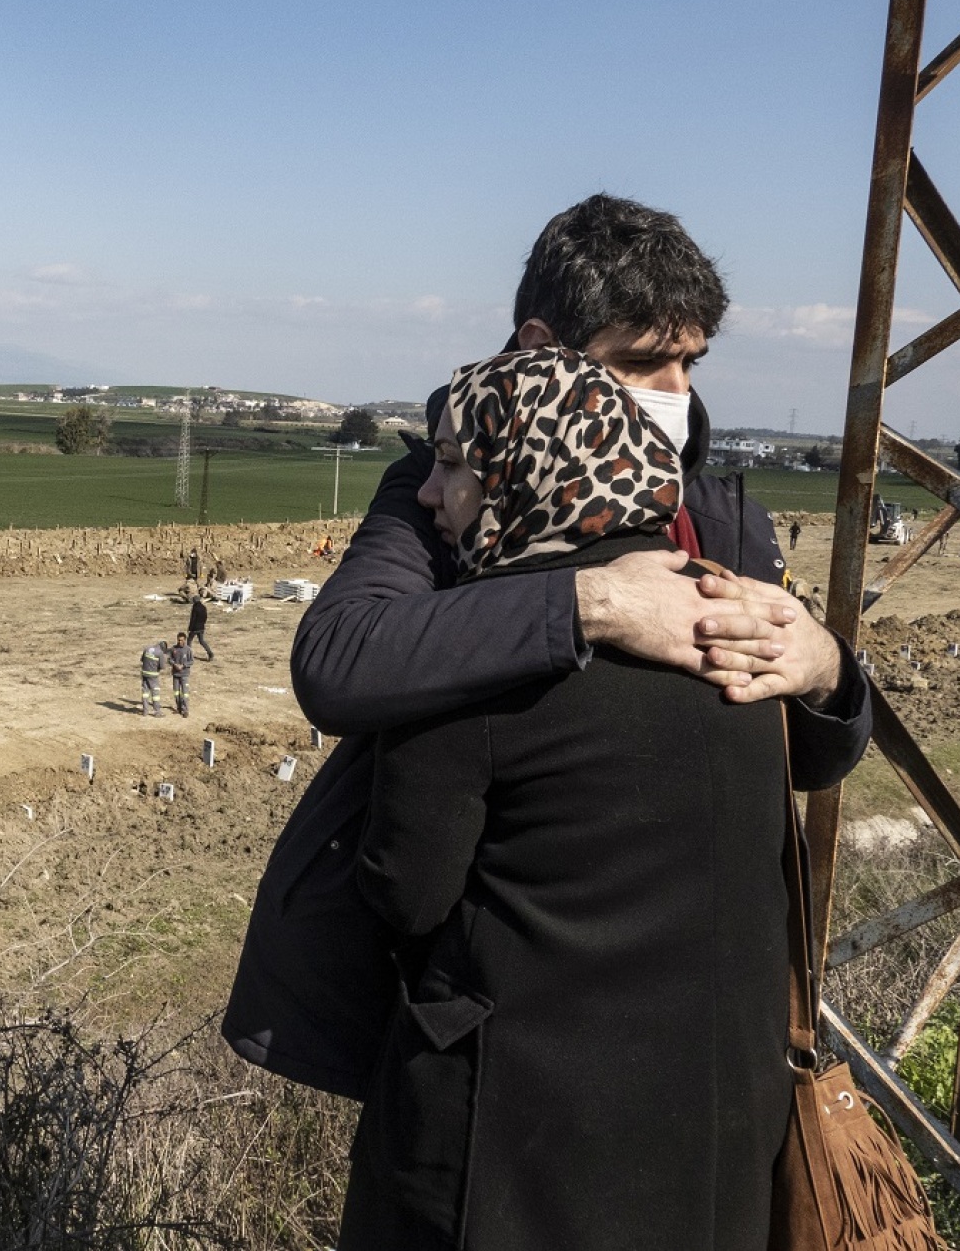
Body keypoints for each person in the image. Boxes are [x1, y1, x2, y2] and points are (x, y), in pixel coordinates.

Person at [223, 194, 872, 1131]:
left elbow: (807, 757)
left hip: (698, 1038)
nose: (675, 390)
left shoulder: (723, 515)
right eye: (645, 362)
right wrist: (590, 602)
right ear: (540, 350)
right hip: (507, 1025)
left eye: (689, 362)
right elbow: (338, 658)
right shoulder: (449, 489)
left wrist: (822, 669)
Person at [338, 349, 797, 1248]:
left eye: (454, 464)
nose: (430, 494)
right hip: (713, 1137)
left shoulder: (480, 662)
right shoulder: (739, 636)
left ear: (522, 471)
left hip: (516, 1150)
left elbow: (404, 890)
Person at [139, 638, 169, 717]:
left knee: (145, 693)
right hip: (153, 675)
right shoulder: (160, 653)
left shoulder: (147, 648)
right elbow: (162, 666)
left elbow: (142, 660)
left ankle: (145, 711)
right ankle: (157, 712)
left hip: (144, 673)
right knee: (155, 694)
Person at [169, 632, 194, 718]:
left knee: (185, 693)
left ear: (185, 640)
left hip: (184, 674)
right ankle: (179, 708)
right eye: (179, 640)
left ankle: (185, 710)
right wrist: (175, 664)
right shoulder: (173, 649)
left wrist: (183, 665)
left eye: (182, 640)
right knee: (176, 692)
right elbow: (170, 659)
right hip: (175, 674)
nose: (180, 642)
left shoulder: (188, 650)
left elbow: (191, 661)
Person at [187, 595, 215, 661]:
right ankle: (210, 653)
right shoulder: (203, 607)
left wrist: (190, 628)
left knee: (189, 640)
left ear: (194, 601)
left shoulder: (195, 607)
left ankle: (188, 655)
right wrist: (203, 624)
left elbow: (193, 619)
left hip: (195, 628)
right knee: (202, 641)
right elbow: (205, 617)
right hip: (201, 627)